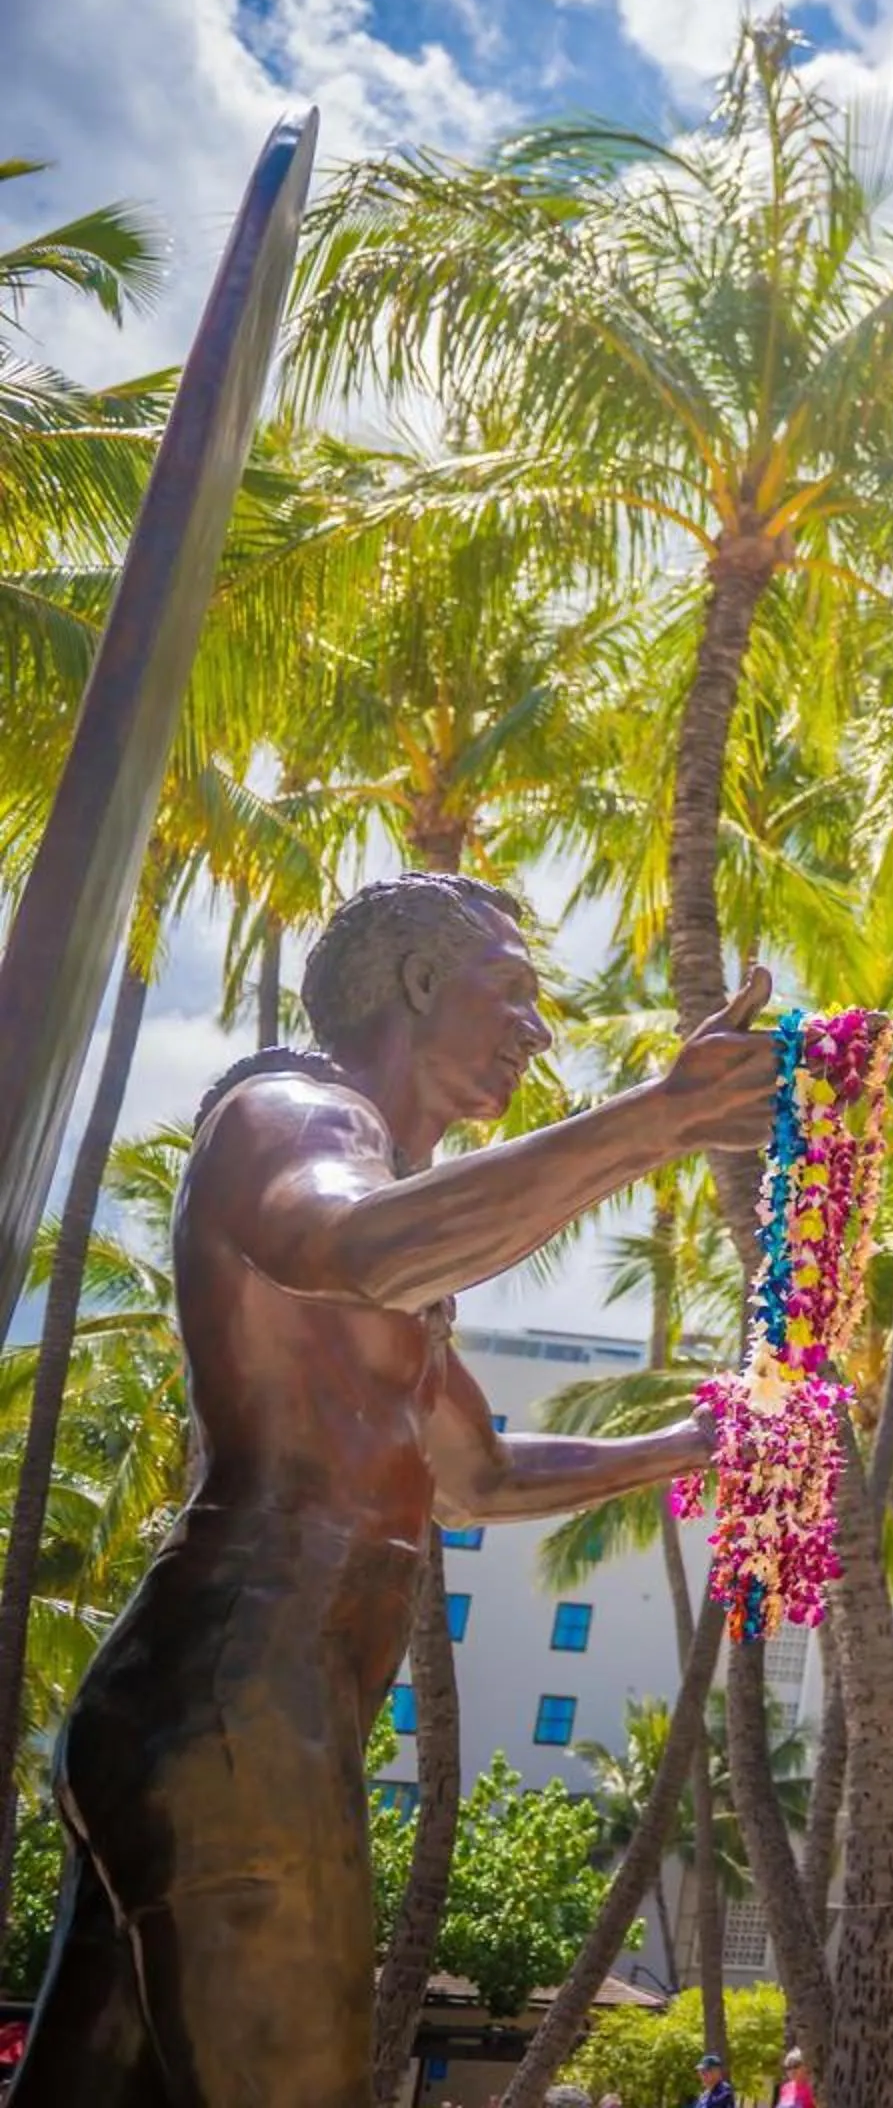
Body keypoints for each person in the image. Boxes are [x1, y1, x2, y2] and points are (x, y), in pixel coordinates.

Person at [14, 873, 781, 2106]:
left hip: (227, 1706)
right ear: (421, 983)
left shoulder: (401, 1250)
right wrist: (664, 1121)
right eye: (515, 993)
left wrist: (705, 1437)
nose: (538, 1031)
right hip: (237, 1688)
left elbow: (478, 1476)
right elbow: (356, 1247)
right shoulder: (290, 1116)